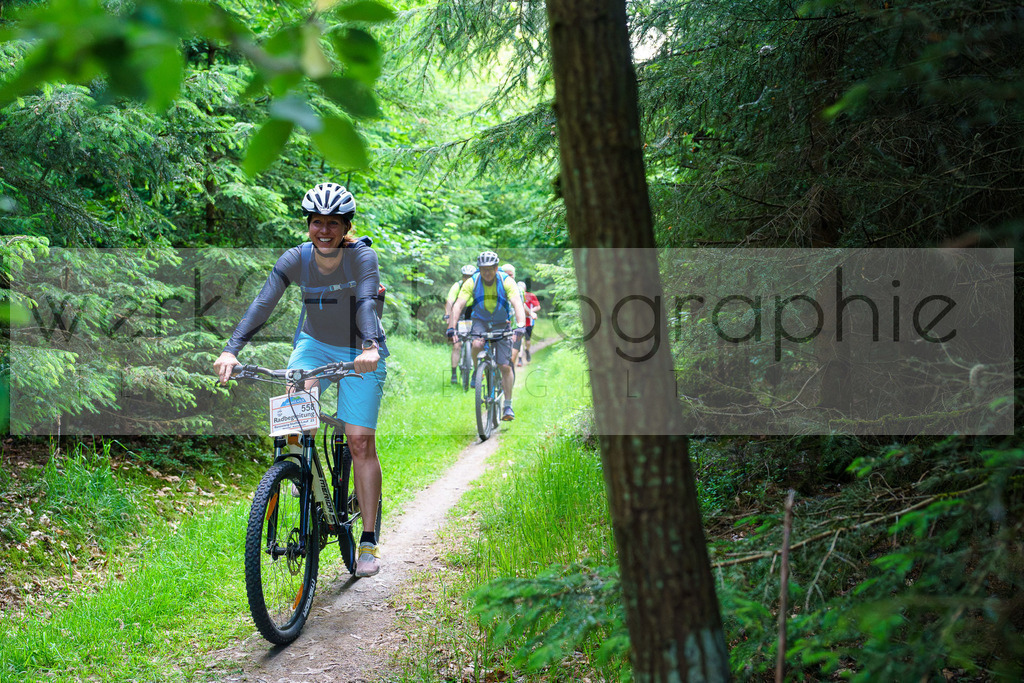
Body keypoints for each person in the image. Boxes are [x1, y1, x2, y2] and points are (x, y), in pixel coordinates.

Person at [214, 182, 388, 578]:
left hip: (361, 348)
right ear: (308, 224)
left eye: (333, 223)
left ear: (347, 227)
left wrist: (370, 346)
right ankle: (300, 469)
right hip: (314, 343)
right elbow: (263, 303)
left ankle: (368, 540)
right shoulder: (296, 258)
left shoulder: (361, 256)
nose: (324, 231)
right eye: (317, 223)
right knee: (295, 404)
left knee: (360, 441)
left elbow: (365, 301)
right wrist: (231, 349)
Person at [448, 252, 526, 421]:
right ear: (480, 269)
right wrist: (451, 328)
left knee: (505, 366)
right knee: (476, 344)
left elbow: (517, 303)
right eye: (484, 269)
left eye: (490, 269)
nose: (487, 273)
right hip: (480, 320)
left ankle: (508, 405)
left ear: (496, 268)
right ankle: (478, 371)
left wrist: (521, 326)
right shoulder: (473, 281)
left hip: (501, 321)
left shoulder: (506, 281)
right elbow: (458, 304)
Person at [444, 265, 476, 384]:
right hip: (459, 315)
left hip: (473, 315)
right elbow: (450, 301)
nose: (467, 279)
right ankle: (454, 373)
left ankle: (476, 372)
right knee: (456, 345)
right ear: (462, 277)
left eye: (469, 277)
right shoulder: (457, 286)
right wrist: (447, 315)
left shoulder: (477, 287)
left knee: (476, 343)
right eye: (465, 276)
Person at [518, 280, 541, 366]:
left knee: (527, 341)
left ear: (525, 289)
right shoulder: (515, 296)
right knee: (520, 341)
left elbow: (538, 306)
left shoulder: (531, 296)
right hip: (519, 322)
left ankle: (527, 350)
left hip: (529, 323)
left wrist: (530, 311)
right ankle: (520, 359)